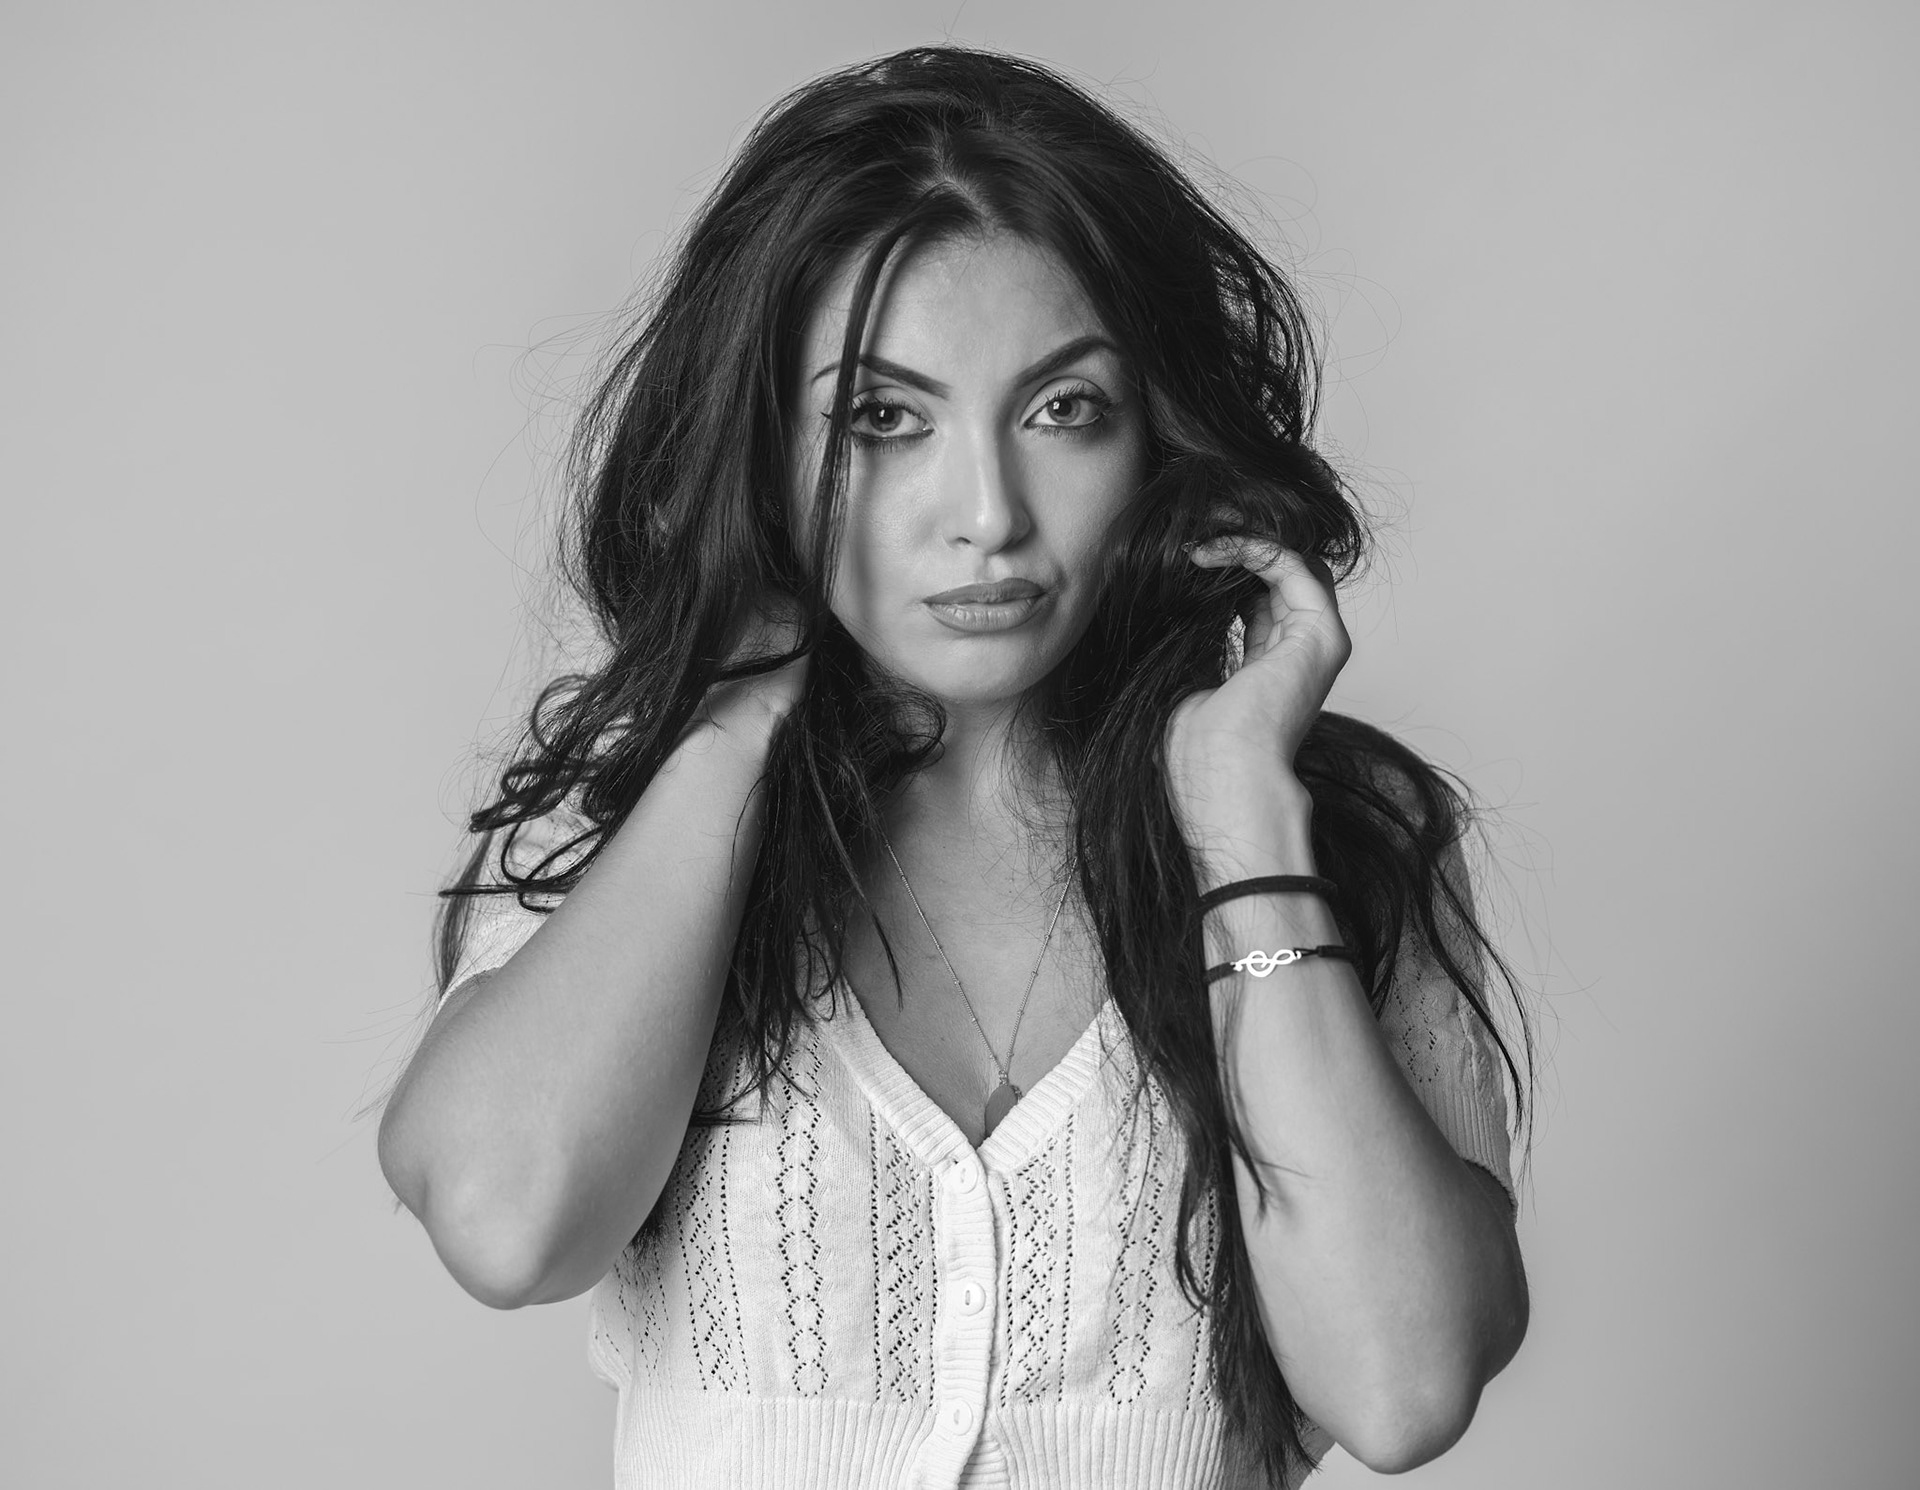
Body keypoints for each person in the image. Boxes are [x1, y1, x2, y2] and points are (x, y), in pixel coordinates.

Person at [378, 45, 1531, 1490]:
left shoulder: (1333, 829)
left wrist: (1243, 823)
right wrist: (735, 727)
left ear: (1157, 437)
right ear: (765, 446)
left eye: (1064, 410)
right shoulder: (634, 804)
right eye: (883, 419)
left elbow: (1403, 1387)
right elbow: (506, 1222)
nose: (988, 513)